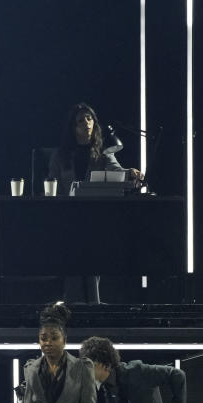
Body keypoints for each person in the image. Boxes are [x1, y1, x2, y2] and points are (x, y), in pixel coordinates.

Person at [48, 103, 144, 304]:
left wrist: (130, 172)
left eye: (89, 118)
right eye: (81, 120)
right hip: (69, 216)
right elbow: (52, 185)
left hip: (94, 216)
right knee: (73, 259)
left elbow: (118, 170)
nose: (86, 123)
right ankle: (73, 305)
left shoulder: (104, 152)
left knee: (94, 253)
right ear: (73, 127)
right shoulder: (61, 156)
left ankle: (94, 305)